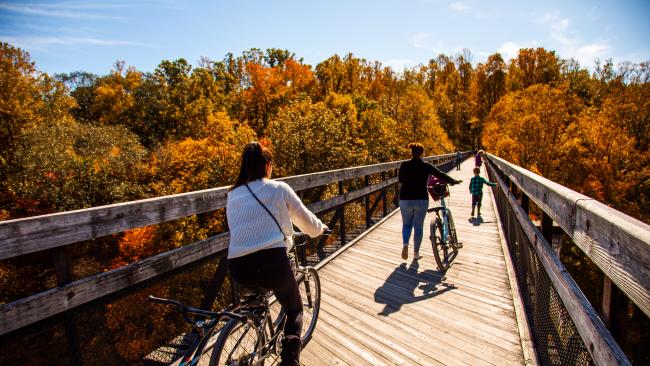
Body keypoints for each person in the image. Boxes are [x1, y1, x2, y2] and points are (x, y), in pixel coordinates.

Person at [226, 142, 328, 366]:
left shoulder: (232, 195)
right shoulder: (278, 189)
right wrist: (320, 229)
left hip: (238, 267)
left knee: (256, 303)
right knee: (294, 309)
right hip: (272, 263)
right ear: (267, 165)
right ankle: (289, 361)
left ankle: (256, 333)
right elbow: (308, 223)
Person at [398, 143, 461, 261]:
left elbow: (400, 180)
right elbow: (440, 174)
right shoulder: (425, 166)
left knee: (406, 225)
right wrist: (453, 181)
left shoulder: (404, 165)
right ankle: (416, 253)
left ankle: (405, 244)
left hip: (405, 198)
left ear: (411, 153)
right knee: (418, 227)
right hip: (421, 199)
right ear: (422, 153)